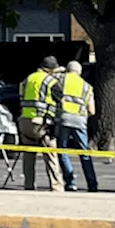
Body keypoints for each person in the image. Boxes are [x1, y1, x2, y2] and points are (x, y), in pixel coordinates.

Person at [17, 56, 71, 191]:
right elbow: (61, 100)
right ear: (51, 70)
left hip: (25, 121)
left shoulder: (27, 79)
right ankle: (56, 186)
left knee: (29, 155)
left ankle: (28, 184)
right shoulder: (50, 81)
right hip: (42, 123)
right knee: (51, 154)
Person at [51, 60, 99, 192]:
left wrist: (58, 69)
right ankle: (92, 183)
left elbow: (49, 78)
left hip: (63, 118)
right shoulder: (86, 86)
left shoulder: (61, 79)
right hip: (79, 121)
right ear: (79, 72)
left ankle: (70, 182)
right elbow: (92, 110)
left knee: (63, 151)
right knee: (84, 153)